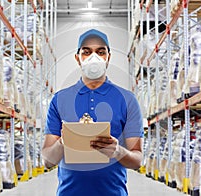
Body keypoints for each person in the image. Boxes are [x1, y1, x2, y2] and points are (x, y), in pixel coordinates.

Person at [42, 29, 144, 196]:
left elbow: (137, 161)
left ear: (108, 57)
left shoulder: (127, 100)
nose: (93, 57)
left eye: (101, 52)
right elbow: (47, 161)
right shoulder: (60, 99)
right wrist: (64, 141)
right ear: (77, 58)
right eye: (87, 52)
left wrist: (117, 151)